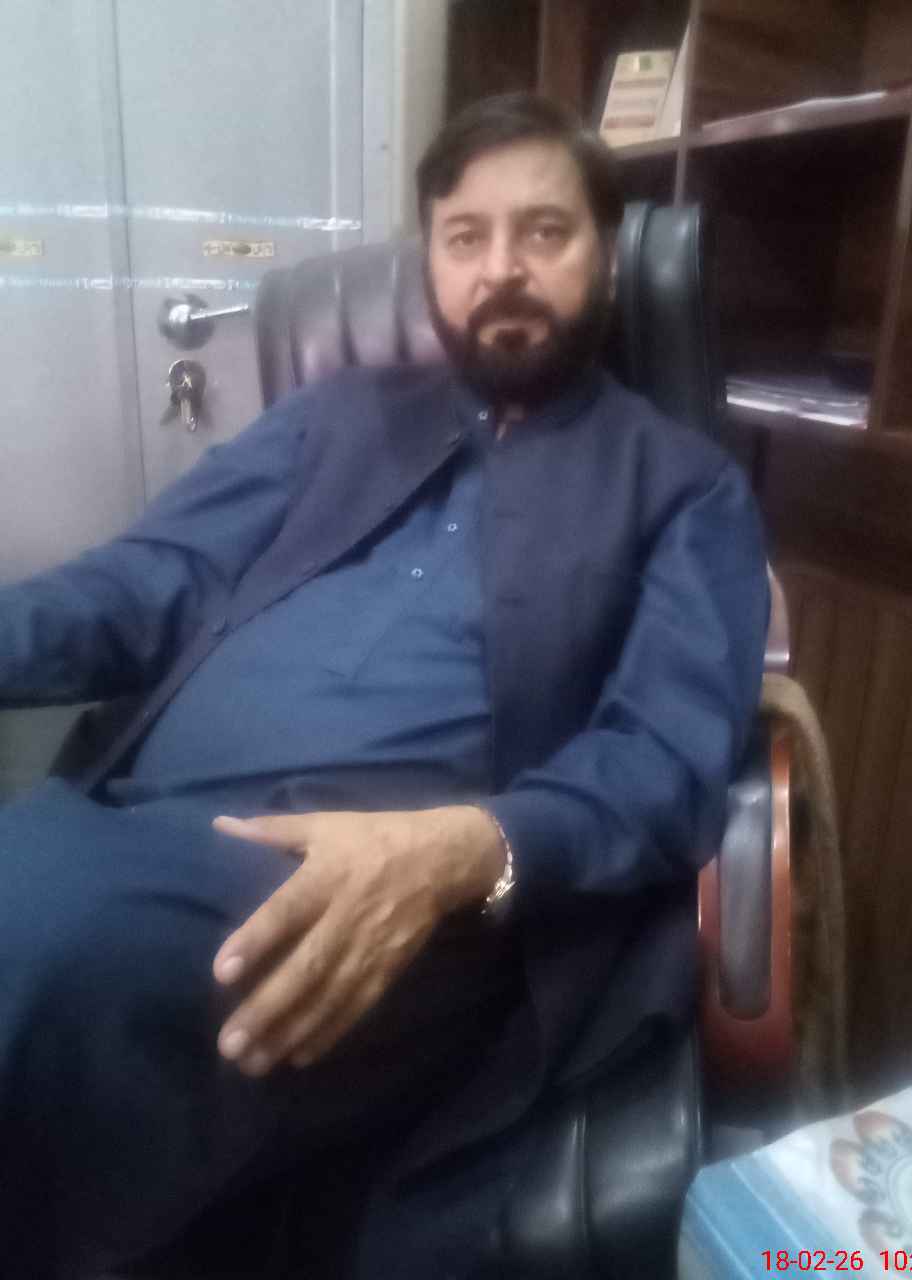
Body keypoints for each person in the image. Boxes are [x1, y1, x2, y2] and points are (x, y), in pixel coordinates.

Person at [0, 93, 768, 1277]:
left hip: (397, 896)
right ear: (432, 262)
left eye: (544, 231)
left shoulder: (681, 485)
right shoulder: (330, 416)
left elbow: (665, 757)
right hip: (134, 826)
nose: (501, 268)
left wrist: (468, 848)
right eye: (467, 237)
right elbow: (145, 581)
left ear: (607, 255)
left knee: (47, 950)